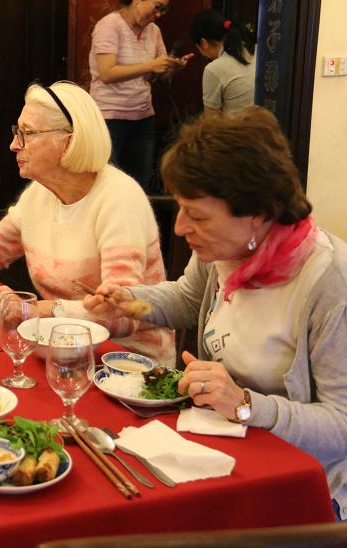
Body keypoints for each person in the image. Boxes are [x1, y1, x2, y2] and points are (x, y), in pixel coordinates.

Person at [83, 107, 347, 521]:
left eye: (198, 216)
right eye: (181, 209)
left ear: (257, 214)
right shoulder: (226, 249)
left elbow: (341, 424)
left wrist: (245, 404)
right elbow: (188, 299)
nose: (179, 227)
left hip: (302, 484)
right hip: (225, 446)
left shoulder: (328, 281)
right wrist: (130, 301)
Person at [0, 81, 175, 365]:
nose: (14, 145)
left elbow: (123, 313)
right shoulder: (39, 195)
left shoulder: (119, 199)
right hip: (61, 349)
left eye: (26, 133)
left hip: (128, 364)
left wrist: (35, 310)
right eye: (16, 132)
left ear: (68, 142)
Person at [88, 0, 191, 191]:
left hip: (143, 116)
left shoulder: (154, 31)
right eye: (157, 7)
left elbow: (157, 74)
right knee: (106, 184)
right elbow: (107, 73)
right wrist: (151, 65)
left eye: (164, 10)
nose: (159, 14)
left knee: (139, 184)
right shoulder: (109, 25)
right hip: (109, 118)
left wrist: (172, 67)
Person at [189, 9, 256, 114]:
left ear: (203, 43)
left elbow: (212, 120)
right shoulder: (256, 50)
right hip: (267, 122)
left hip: (239, 125)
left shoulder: (214, 69)